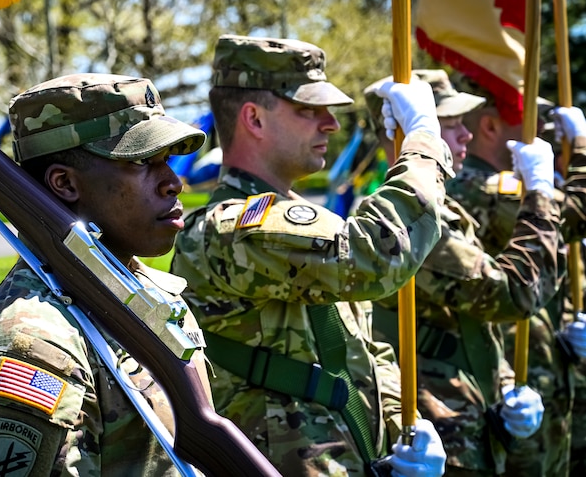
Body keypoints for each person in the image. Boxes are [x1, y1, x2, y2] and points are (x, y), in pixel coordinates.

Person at [171, 34, 448, 476]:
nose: (331, 124)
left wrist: (401, 430)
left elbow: (363, 352)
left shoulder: (301, 219)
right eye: (308, 110)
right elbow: (376, 258)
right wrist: (424, 142)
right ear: (254, 119)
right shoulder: (236, 226)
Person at [0, 73, 213, 476]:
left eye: (168, 161)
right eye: (141, 162)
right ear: (65, 183)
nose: (174, 183)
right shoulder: (34, 348)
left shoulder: (149, 292)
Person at [365, 69, 560, 476]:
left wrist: (505, 384)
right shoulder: (414, 223)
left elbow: (472, 324)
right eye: (446, 126)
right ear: (403, 134)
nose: (465, 135)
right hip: (441, 436)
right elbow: (512, 295)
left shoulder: (445, 211)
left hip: (473, 427)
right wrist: (540, 194)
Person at [446, 79, 586, 476]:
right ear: (490, 127)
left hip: (530, 367)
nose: (541, 128)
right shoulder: (485, 186)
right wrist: (580, 150)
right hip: (505, 375)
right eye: (529, 117)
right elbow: (576, 214)